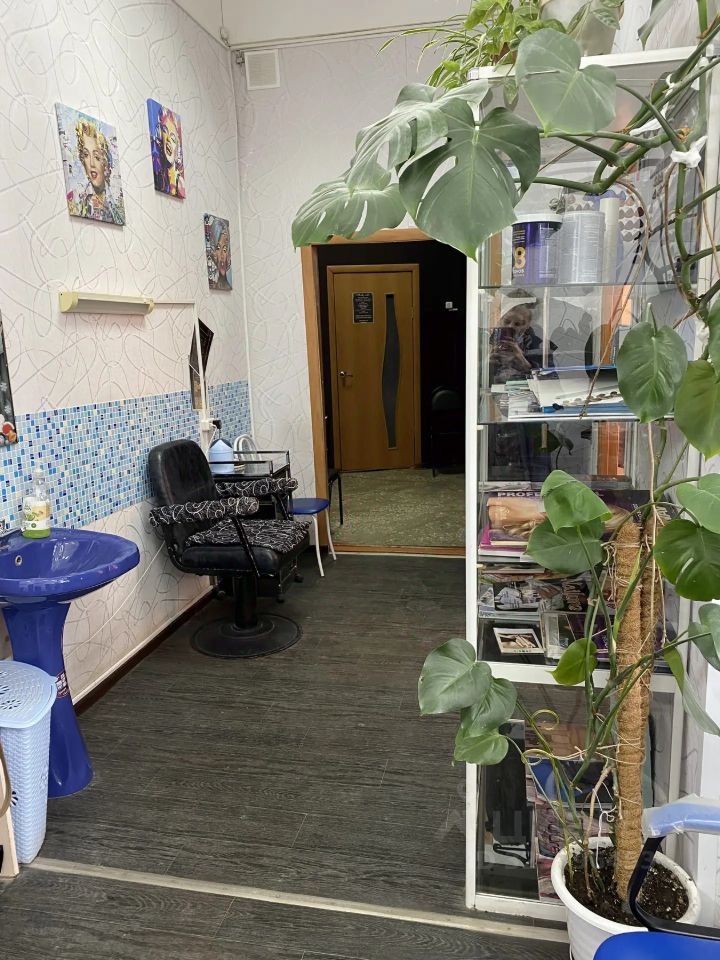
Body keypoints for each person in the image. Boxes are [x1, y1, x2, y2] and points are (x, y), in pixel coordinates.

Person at [68, 118, 125, 224]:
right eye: (86, 155)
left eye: (97, 157)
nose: (91, 163)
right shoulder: (78, 202)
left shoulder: (116, 205)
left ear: (105, 164)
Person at [152, 107, 185, 198]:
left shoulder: (180, 185)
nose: (168, 140)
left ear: (178, 146)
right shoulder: (158, 174)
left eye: (172, 138)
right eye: (165, 131)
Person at [207, 218, 232, 290]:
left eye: (224, 249)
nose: (222, 255)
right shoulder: (213, 283)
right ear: (213, 252)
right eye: (218, 248)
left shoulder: (228, 286)